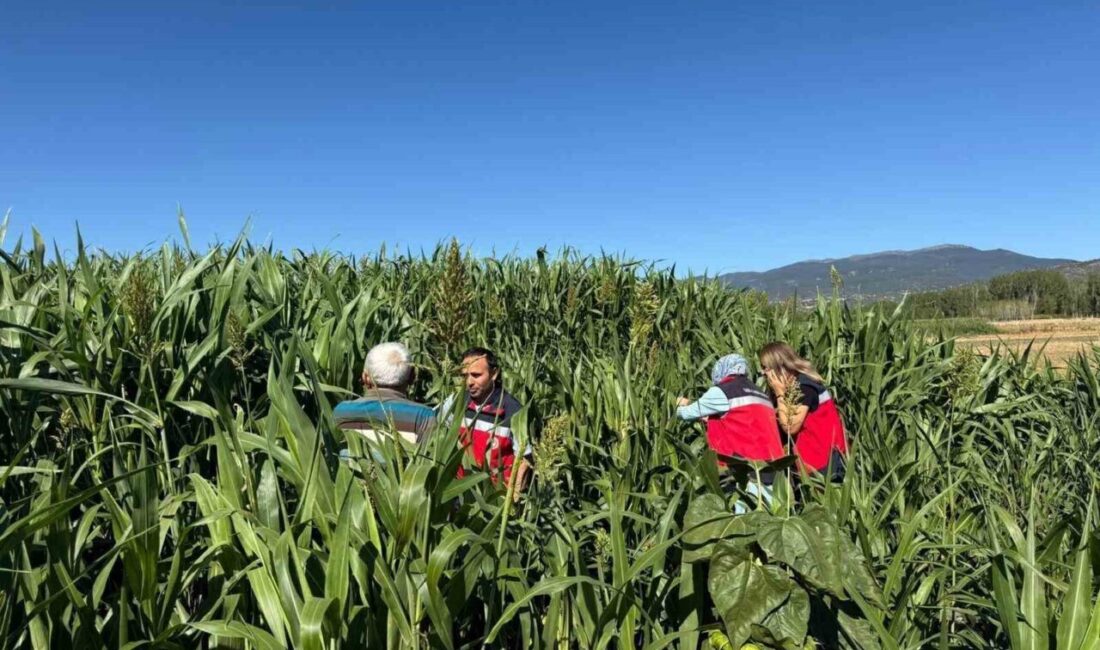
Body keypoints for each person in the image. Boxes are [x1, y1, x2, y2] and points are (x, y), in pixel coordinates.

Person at [676, 353, 785, 511]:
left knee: (744, 525)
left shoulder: (722, 391)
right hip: (772, 471)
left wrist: (676, 405)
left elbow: (687, 413)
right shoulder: (761, 395)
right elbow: (737, 419)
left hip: (745, 473)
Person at [439, 347, 533, 497]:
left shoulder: (513, 411)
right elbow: (438, 430)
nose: (469, 382)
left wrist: (513, 499)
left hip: (496, 496)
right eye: (465, 376)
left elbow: (525, 461)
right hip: (460, 492)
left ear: (494, 374)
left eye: (476, 375)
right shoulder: (456, 402)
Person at [758, 341, 848, 480]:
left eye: (766, 368)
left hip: (823, 466)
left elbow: (790, 427)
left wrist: (780, 394)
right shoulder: (796, 385)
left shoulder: (804, 388)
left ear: (779, 366)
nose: (763, 373)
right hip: (815, 463)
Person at [334, 342, 436, 458]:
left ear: (365, 377)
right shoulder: (424, 417)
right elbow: (428, 463)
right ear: (412, 377)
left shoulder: (341, 411)